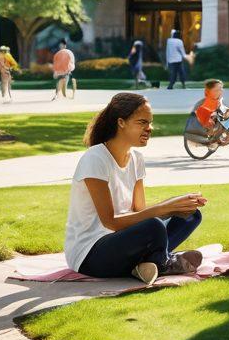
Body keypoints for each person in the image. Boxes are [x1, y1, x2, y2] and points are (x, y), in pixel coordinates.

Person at [65, 92, 206, 285]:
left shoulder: (136, 159)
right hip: (90, 255)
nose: (149, 128)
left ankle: (149, 264)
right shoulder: (95, 159)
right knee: (154, 226)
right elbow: (111, 222)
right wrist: (165, 209)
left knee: (190, 216)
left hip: (123, 242)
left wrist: (176, 206)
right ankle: (164, 262)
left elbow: (140, 211)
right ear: (121, 122)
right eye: (142, 122)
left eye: (150, 123)